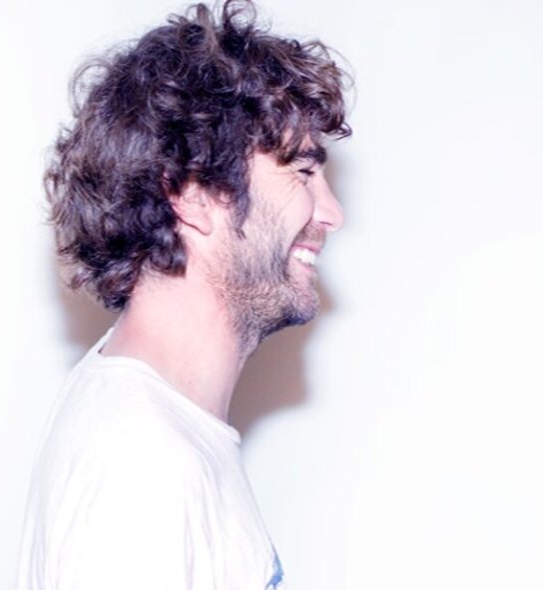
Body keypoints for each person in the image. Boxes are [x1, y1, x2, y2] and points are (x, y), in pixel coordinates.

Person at [18, 1, 351, 588]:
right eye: (302, 171)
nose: (332, 213)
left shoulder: (164, 432)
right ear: (195, 195)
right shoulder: (140, 465)